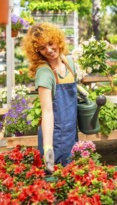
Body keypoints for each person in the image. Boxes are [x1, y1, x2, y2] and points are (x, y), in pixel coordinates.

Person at [23, 23, 77, 172]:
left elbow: (70, 85)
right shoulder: (45, 73)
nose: (48, 50)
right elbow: (47, 111)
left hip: (71, 131)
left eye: (50, 43)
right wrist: (48, 147)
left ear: (57, 40)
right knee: (56, 180)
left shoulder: (68, 62)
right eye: (41, 48)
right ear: (36, 52)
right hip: (55, 136)